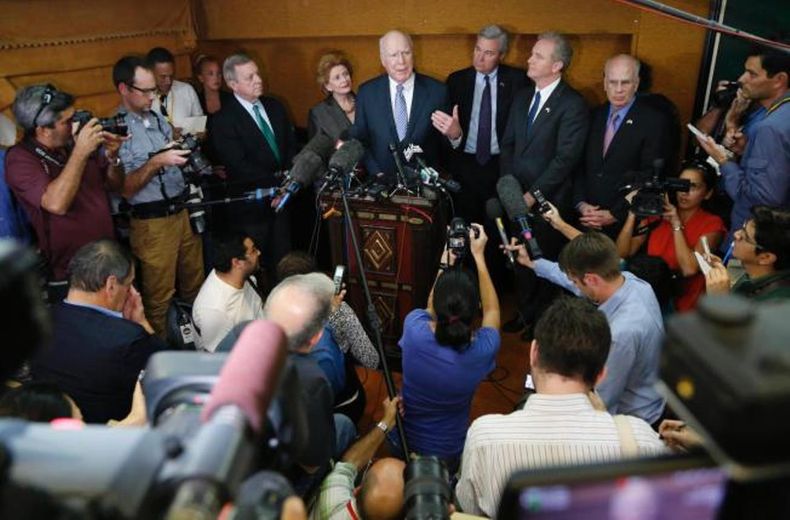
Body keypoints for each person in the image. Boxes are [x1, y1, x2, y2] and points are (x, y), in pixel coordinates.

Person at [455, 297, 666, 517]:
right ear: (601, 375)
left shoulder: (484, 437)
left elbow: (470, 511)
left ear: (534, 352)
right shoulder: (642, 441)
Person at [507, 231, 665, 426]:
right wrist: (534, 264)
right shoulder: (630, 282)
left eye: (576, 281)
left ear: (591, 279)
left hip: (633, 420)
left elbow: (603, 398)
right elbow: (575, 283)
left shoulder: (620, 333)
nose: (575, 286)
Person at [499, 31, 589, 338]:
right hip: (515, 199)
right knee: (520, 259)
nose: (529, 58)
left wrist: (532, 195)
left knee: (544, 262)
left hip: (549, 203)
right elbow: (508, 144)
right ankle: (524, 314)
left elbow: (565, 160)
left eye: (538, 55)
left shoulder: (573, 104)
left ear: (557, 65)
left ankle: (542, 323)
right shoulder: (522, 96)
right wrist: (511, 190)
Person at [5, 84, 125, 302]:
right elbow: (56, 203)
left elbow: (115, 185)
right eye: (66, 121)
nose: (75, 125)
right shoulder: (20, 159)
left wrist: (113, 158)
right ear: (43, 129)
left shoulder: (73, 143)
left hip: (110, 256)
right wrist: (80, 152)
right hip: (71, 272)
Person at [113, 55, 205, 337]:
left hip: (182, 212)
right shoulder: (118, 131)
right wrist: (156, 162)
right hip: (151, 223)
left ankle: (199, 347)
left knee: (196, 287)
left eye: (155, 89)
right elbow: (125, 188)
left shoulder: (157, 118)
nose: (154, 95)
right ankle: (162, 358)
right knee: (158, 299)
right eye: (147, 91)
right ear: (124, 89)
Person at [397, 223, 500, 471]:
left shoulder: (414, 329)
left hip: (401, 438)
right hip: (447, 450)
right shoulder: (482, 349)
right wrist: (479, 257)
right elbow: (493, 310)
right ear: (473, 308)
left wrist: (445, 261)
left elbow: (431, 305)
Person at [30, 239, 165, 424]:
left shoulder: (37, 322)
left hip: (51, 429)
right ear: (111, 285)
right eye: (129, 284)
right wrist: (142, 323)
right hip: (113, 440)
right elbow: (172, 369)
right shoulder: (128, 340)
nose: (132, 293)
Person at [262, 273, 357, 493]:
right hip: (284, 480)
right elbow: (311, 464)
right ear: (316, 337)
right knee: (344, 425)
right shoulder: (312, 379)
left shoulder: (240, 334)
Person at [209, 53, 297, 270]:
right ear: (233, 84)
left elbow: (291, 146)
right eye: (250, 77)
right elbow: (239, 165)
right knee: (258, 267)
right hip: (251, 210)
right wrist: (276, 186)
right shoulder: (223, 120)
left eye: (257, 73)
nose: (258, 80)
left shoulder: (275, 106)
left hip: (284, 202)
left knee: (285, 263)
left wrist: (287, 185)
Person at [695, 44, 789, 242]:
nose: (741, 79)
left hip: (757, 239)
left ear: (779, 80)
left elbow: (762, 200)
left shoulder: (771, 127)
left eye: (752, 74)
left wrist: (724, 161)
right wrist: (747, 151)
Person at [276, 251, 380, 424]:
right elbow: (371, 360)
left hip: (295, 404)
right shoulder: (339, 311)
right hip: (341, 404)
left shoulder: (272, 311)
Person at [575, 54, 671, 238]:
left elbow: (650, 174)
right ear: (604, 83)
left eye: (625, 83)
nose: (618, 89)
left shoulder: (654, 121)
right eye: (613, 82)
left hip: (625, 225)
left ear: (636, 83)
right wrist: (581, 204)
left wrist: (615, 214)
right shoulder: (593, 115)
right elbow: (579, 165)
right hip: (586, 219)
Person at [351, 30, 461, 186]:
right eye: (394, 55)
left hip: (425, 188)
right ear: (383, 60)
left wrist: (455, 135)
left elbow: (444, 149)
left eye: (406, 53)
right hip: (381, 187)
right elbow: (360, 140)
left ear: (413, 54)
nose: (401, 61)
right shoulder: (367, 92)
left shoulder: (437, 91)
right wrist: (377, 173)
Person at [445, 24, 528, 224]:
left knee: (498, 227)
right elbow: (446, 131)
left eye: (488, 53)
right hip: (465, 165)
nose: (479, 58)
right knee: (464, 224)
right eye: (477, 49)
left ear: (502, 55)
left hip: (501, 166)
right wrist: (454, 135)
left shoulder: (518, 81)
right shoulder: (456, 81)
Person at [616, 162, 725, 311]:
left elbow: (689, 269)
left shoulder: (712, 224)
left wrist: (675, 223)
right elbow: (622, 254)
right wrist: (634, 212)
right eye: (681, 185)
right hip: (652, 296)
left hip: (684, 304)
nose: (684, 192)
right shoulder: (658, 214)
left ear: (708, 193)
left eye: (693, 186)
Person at [310, 396, 403, 520]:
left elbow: (349, 463)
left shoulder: (333, 503)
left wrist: (385, 423)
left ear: (357, 490)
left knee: (343, 425)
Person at [192, 233, 264, 352]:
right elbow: (222, 357)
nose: (259, 253)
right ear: (236, 263)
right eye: (253, 251)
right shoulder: (214, 310)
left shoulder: (245, 279)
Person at [705, 205, 790, 301]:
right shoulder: (753, 274)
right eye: (743, 228)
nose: (736, 234)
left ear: (765, 258)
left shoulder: (777, 302)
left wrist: (719, 299)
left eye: (744, 237)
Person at [146, 46, 204, 134]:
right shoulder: (142, 97)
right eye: (163, 77)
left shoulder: (187, 90)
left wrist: (200, 133)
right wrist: (168, 134)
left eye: (171, 76)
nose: (168, 81)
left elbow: (201, 129)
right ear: (150, 72)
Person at [308, 52, 356, 141]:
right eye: (337, 78)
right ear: (327, 86)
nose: (344, 80)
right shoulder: (319, 113)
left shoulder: (365, 101)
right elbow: (318, 150)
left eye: (346, 74)